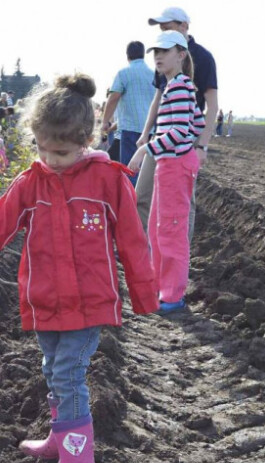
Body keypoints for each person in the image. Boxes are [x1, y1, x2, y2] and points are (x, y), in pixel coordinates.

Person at [0, 74, 158, 463]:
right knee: (53, 370)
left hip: (90, 303)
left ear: (87, 139)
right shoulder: (31, 183)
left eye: (61, 152)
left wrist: (142, 296)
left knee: (69, 376)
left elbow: (133, 242)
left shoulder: (108, 181)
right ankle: (60, 437)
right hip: (44, 301)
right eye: (42, 149)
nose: (50, 159)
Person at [127, 30, 205, 315]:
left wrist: (146, 148)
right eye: (155, 52)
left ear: (181, 55)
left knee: (171, 231)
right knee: (157, 229)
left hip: (174, 166)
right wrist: (183, 149)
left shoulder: (180, 87)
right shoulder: (178, 85)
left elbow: (180, 131)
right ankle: (160, 288)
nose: (158, 56)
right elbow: (195, 124)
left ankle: (173, 296)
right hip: (169, 165)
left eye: (164, 51)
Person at [136, 7, 218, 240]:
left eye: (167, 27)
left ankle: (180, 256)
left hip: (184, 138)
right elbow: (158, 97)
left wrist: (202, 145)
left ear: (184, 26)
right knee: (142, 195)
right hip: (161, 136)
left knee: (184, 201)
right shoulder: (163, 57)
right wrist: (146, 133)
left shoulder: (203, 57)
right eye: (161, 29)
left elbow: (212, 105)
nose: (163, 32)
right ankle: (144, 251)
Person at [101, 41, 155, 185]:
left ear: (127, 56)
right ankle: (145, 203)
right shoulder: (154, 74)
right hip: (151, 130)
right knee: (147, 170)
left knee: (131, 169)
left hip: (131, 129)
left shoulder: (123, 73)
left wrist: (105, 122)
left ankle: (131, 203)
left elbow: (113, 98)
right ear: (143, 54)